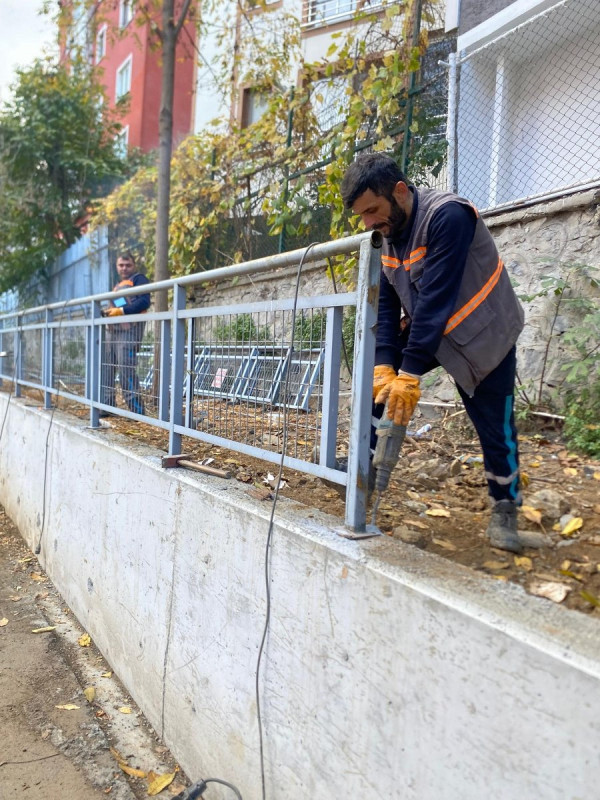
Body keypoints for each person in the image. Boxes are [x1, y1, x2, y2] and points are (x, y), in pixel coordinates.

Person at [340, 153, 525, 553]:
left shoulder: (448, 216)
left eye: (371, 210)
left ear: (399, 191)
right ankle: (362, 472)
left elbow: (435, 301)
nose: (368, 223)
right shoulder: (389, 230)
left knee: (495, 426)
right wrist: (386, 366)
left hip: (484, 332)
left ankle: (505, 508)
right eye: (362, 215)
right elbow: (387, 303)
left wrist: (408, 375)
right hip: (434, 330)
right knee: (376, 382)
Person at [101, 252, 150, 416]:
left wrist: (121, 311)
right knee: (107, 368)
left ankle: (137, 412)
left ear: (134, 265)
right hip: (113, 331)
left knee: (126, 370)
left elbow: (144, 302)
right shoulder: (118, 286)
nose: (124, 268)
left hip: (130, 331)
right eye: (121, 265)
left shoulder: (139, 279)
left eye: (128, 265)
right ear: (116, 266)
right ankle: (106, 406)